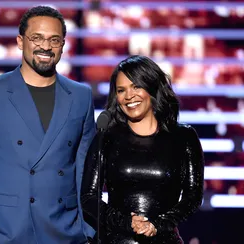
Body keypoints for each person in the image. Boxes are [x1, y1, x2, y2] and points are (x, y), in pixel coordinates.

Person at [0, 6, 95, 244]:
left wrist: (88, 230)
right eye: (37, 38)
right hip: (5, 231)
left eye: (54, 40)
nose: (45, 46)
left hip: (66, 232)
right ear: (21, 41)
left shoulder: (81, 95)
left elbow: (85, 169)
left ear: (63, 45)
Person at [81, 55, 204, 244]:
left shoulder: (184, 137)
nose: (129, 96)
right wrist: (127, 223)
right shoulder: (106, 137)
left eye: (136, 86)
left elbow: (192, 197)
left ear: (152, 87)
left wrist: (158, 225)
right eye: (121, 90)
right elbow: (89, 197)